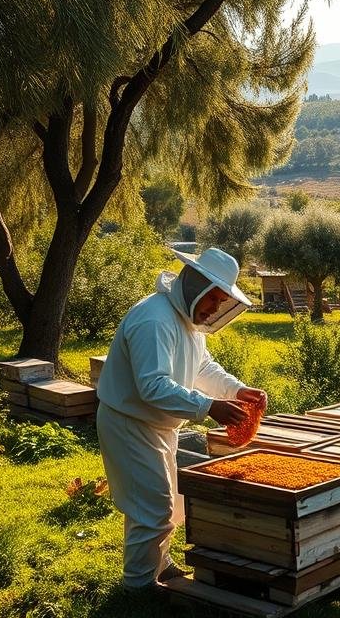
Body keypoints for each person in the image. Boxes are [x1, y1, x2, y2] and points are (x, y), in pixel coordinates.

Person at [96, 246, 266, 590]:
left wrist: (235, 390)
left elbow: (201, 366)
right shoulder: (154, 319)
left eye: (220, 302)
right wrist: (208, 407)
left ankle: (159, 564)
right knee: (153, 508)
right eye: (213, 298)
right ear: (195, 284)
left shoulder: (185, 320)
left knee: (167, 503)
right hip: (131, 423)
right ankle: (139, 587)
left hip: (157, 425)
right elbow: (152, 386)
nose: (214, 308)